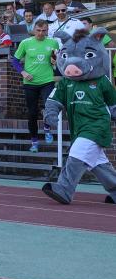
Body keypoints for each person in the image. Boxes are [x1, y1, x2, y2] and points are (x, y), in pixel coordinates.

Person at [42, 28, 116, 206]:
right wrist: (51, 114)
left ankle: (64, 189)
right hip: (79, 128)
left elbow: (113, 104)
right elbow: (53, 100)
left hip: (97, 126)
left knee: (76, 154)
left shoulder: (102, 81)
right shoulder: (66, 83)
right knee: (99, 165)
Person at [12, 20, 58, 152]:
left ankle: (47, 128)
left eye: (44, 31)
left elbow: (56, 59)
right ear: (33, 29)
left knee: (49, 107)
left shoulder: (53, 42)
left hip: (47, 80)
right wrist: (23, 72)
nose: (41, 33)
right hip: (30, 83)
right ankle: (34, 142)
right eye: (38, 30)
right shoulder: (25, 43)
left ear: (47, 30)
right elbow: (15, 60)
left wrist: (55, 61)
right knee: (32, 113)